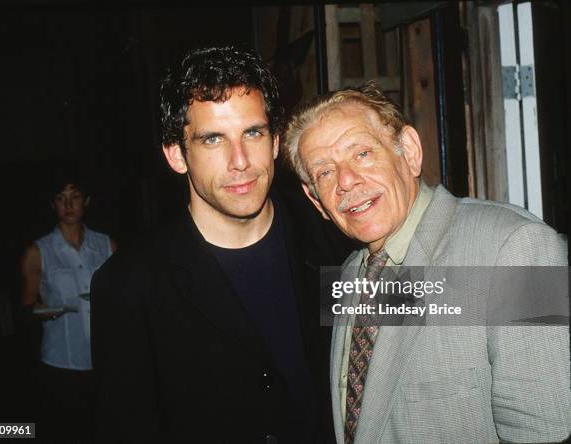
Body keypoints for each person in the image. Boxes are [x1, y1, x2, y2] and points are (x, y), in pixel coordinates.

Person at [282, 82, 571, 443]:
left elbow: (546, 433)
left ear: (410, 151)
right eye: (325, 172)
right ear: (316, 200)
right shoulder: (348, 274)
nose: (346, 181)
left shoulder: (516, 247)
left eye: (362, 154)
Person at [90, 46, 333, 443]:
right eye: (212, 140)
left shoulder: (331, 236)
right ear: (176, 155)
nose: (240, 160)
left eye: (252, 133)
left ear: (275, 141)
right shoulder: (129, 285)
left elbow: (451, 306)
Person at [21, 172, 116, 442]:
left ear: (86, 201)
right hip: (61, 360)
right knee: (66, 431)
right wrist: (45, 310)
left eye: (74, 197)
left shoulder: (106, 244)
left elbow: (122, 297)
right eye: (61, 199)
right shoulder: (38, 251)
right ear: (53, 205)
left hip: (103, 360)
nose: (69, 204)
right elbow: (27, 308)